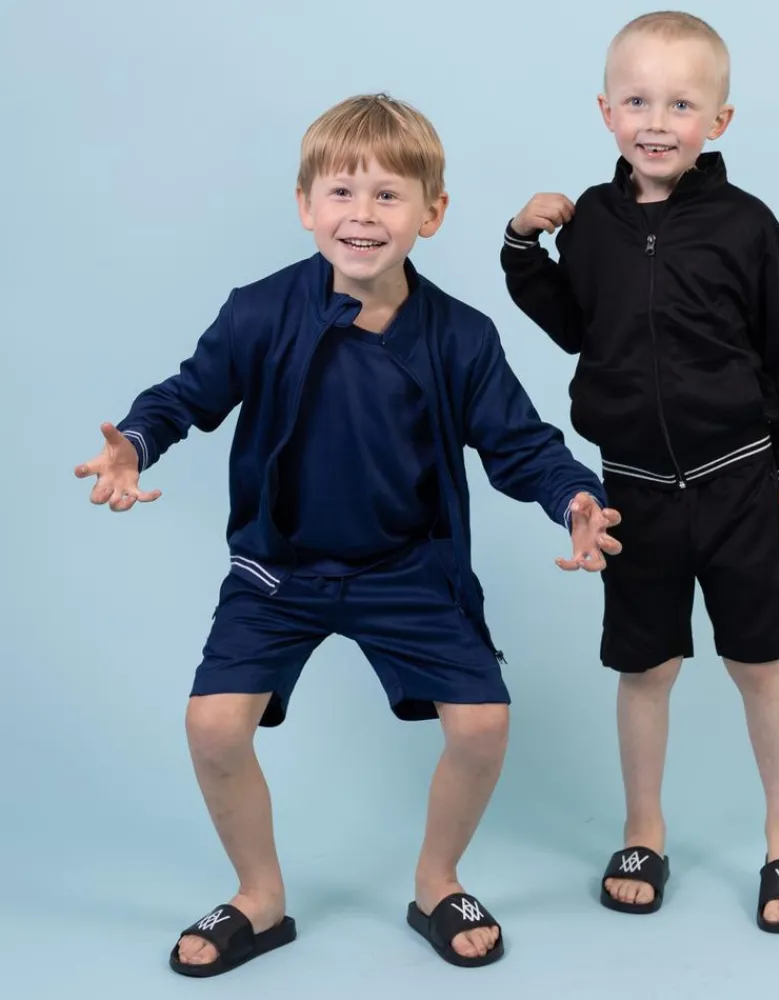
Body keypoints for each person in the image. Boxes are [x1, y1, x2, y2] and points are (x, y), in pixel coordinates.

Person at [75, 92, 621, 976]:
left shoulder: (462, 337)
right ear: (306, 206)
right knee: (213, 727)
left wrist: (575, 499)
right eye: (341, 192)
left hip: (408, 570)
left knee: (482, 725)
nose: (361, 215)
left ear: (431, 214)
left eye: (388, 196)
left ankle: (438, 882)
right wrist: (134, 443)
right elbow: (185, 396)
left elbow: (521, 445)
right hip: (278, 571)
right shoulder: (258, 312)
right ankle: (260, 896)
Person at [500, 11, 779, 933]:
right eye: (637, 102)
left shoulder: (747, 225)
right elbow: (576, 326)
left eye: (681, 105)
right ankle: (643, 829)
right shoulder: (591, 222)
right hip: (634, 490)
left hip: (737, 478)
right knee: (646, 666)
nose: (656, 122)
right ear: (606, 111)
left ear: (718, 121)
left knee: (758, 660)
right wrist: (522, 245)